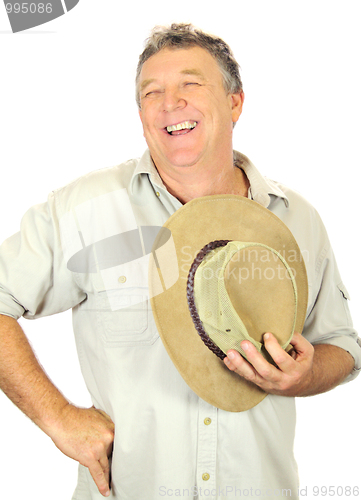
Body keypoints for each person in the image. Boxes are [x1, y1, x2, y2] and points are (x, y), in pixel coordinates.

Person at [0, 23, 360, 500]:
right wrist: (59, 419)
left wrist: (307, 375)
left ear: (235, 104)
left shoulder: (299, 220)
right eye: (152, 92)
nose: (170, 103)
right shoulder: (86, 210)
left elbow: (343, 345)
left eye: (191, 84)